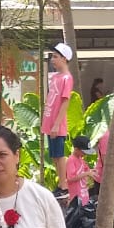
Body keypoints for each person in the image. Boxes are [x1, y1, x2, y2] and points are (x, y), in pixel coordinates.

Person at [42, 43, 75, 195]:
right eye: (52, 57)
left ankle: (64, 185)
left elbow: (65, 102)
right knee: (54, 155)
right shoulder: (55, 77)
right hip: (49, 120)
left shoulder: (67, 78)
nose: (52, 60)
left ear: (64, 58)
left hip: (57, 123)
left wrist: (56, 124)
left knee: (60, 155)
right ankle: (60, 183)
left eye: (55, 57)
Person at [65, 135, 93, 208]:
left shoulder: (81, 159)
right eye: (83, 152)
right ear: (76, 149)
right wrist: (86, 173)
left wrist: (91, 172)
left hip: (83, 194)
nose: (85, 154)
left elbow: (86, 169)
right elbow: (70, 178)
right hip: (76, 197)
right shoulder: (71, 160)